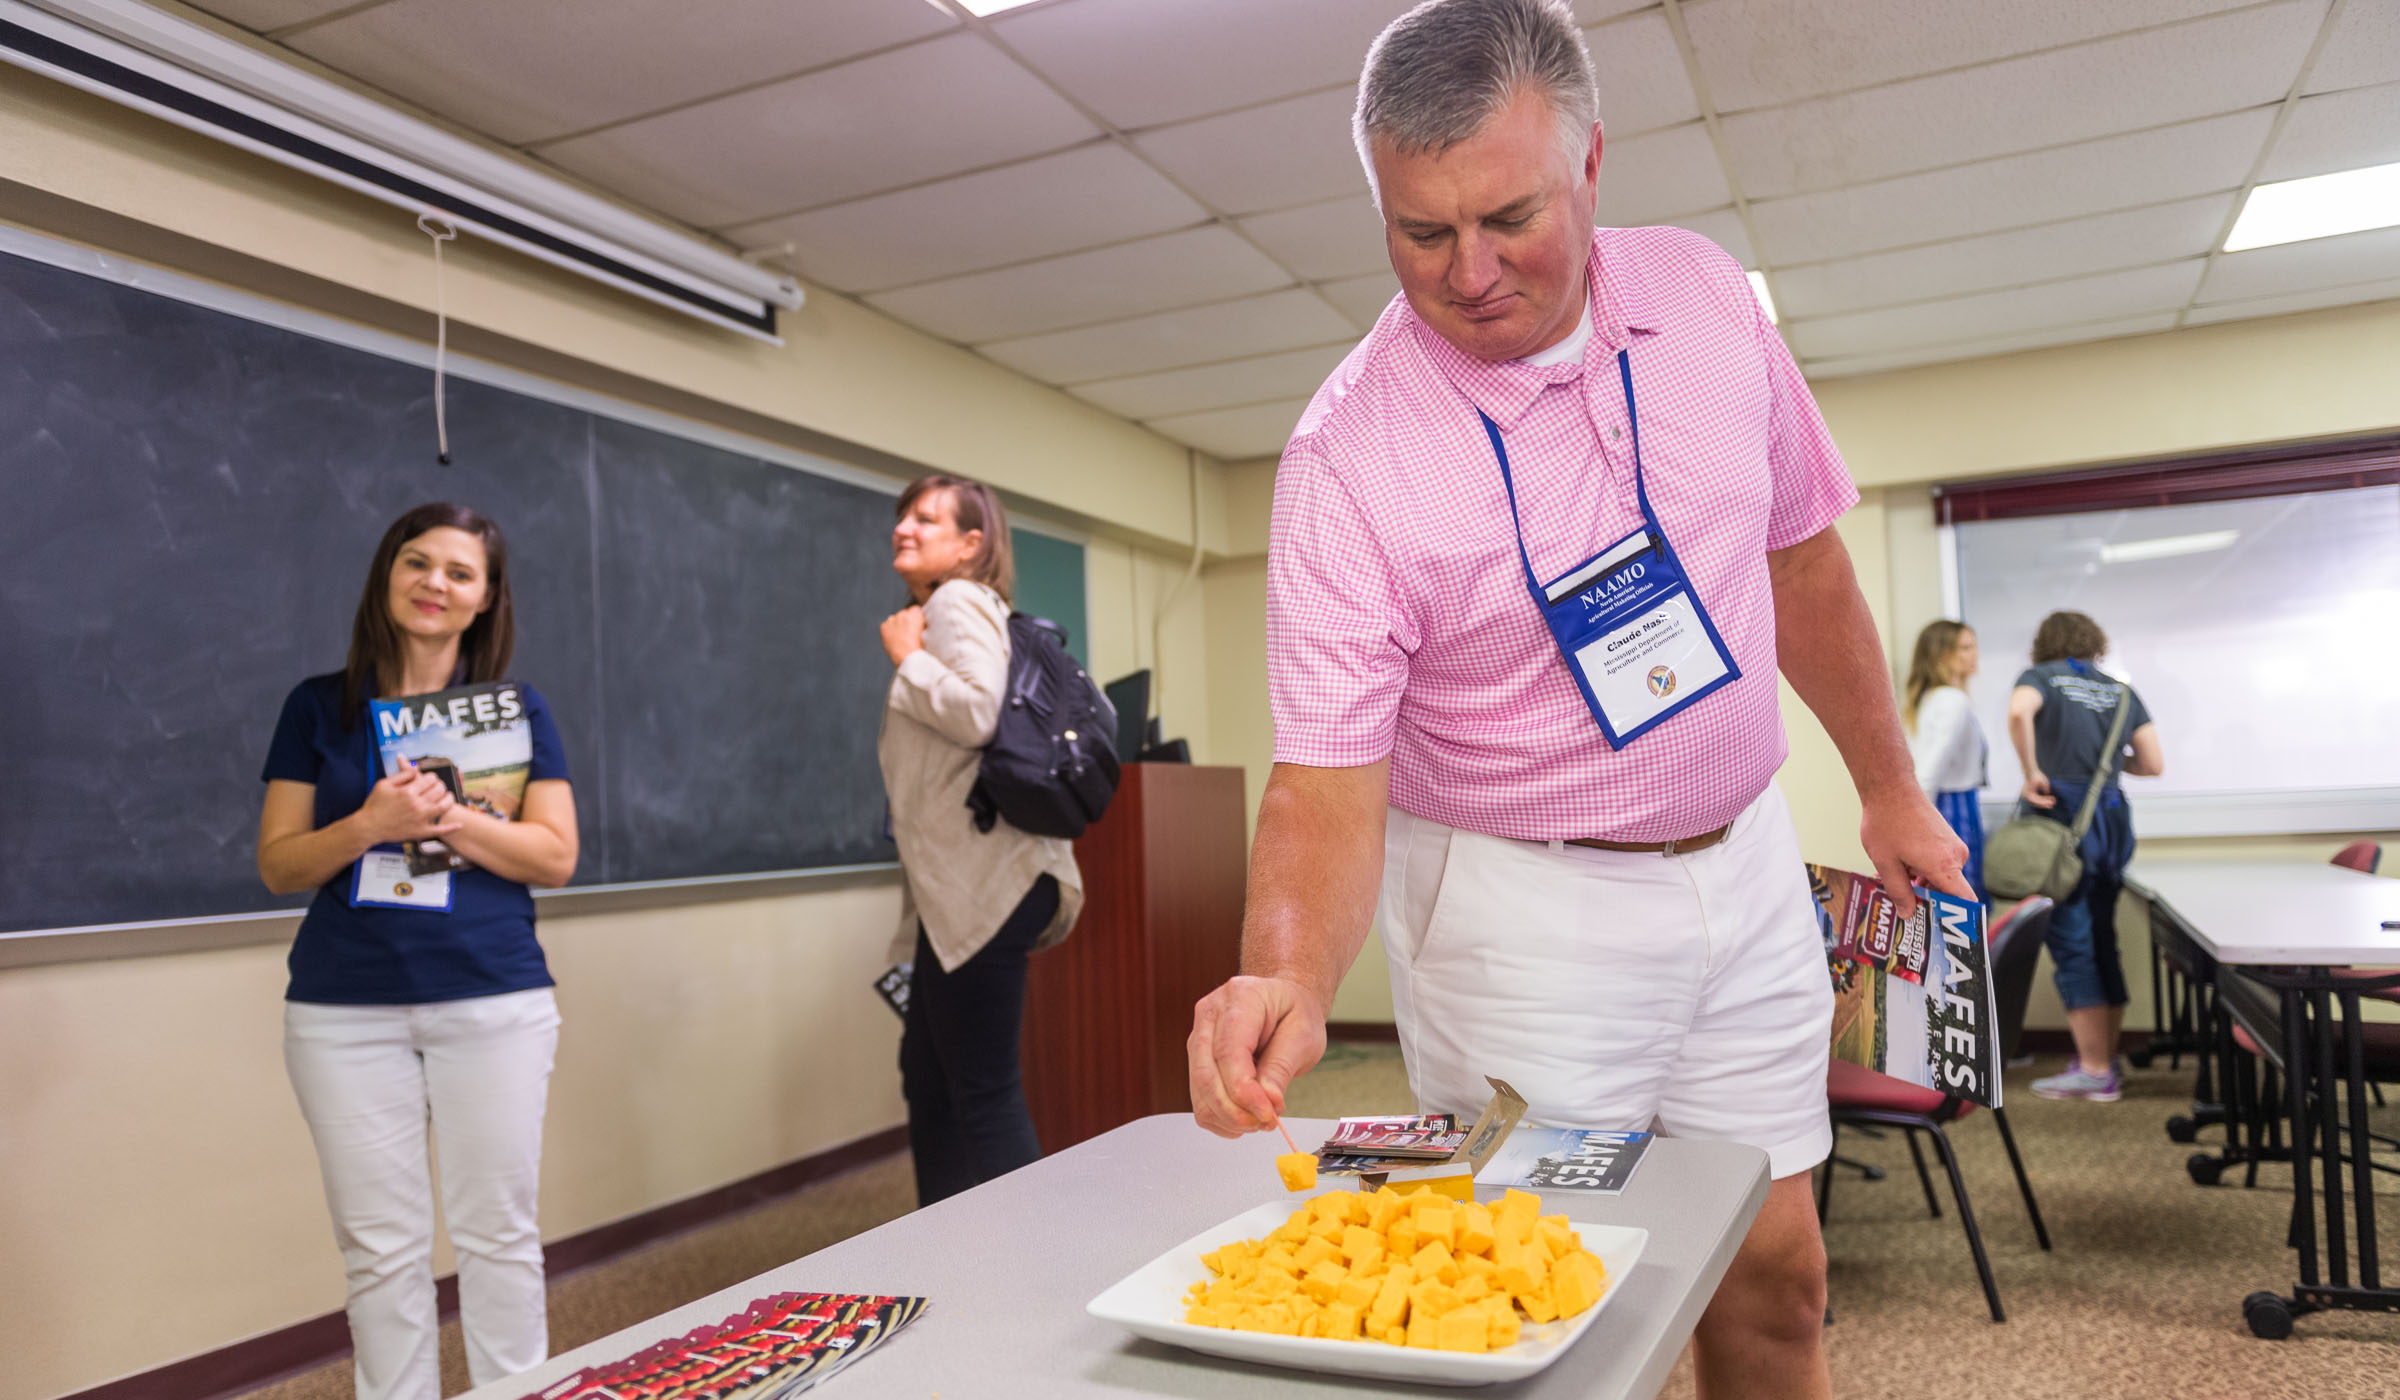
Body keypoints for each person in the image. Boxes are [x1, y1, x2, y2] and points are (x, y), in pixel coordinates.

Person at [1183, 3, 1968, 1395]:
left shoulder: (1712, 302)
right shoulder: (1346, 459)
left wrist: (1890, 786)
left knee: (1779, 1275)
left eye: (1508, 217)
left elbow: (1804, 561)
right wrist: (1288, 974)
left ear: (1592, 163)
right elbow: (1324, 778)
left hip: (1746, 872)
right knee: (1544, 1314)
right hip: (1515, 918)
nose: (1469, 271)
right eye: (1420, 233)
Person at [257, 503, 579, 1400]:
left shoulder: (517, 711)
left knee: (498, 1235)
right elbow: (280, 863)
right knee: (380, 1252)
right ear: (388, 577)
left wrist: (452, 821)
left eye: (460, 572)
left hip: (491, 999)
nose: (435, 582)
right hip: (342, 1008)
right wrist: (370, 823)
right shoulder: (318, 707)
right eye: (417, 562)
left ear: (485, 599)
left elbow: (554, 856)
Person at [878, 474, 1083, 1205]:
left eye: (926, 518)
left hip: (986, 884)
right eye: (904, 514)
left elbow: (976, 715)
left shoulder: (956, 601)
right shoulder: (946, 606)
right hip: (965, 889)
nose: (905, 526)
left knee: (983, 1091)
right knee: (929, 1075)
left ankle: (1030, 1269)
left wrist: (909, 657)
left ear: (971, 544)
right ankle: (946, 1242)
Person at [2009, 610, 2163, 1103]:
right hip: (2111, 821)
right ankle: (2104, 1059)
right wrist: (2105, 763)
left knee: (2071, 939)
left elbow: (2018, 712)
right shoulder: (2120, 691)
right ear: (2093, 643)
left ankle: (2095, 1070)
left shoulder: (2040, 678)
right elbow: (2152, 763)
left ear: (2045, 643)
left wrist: (2032, 769)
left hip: (2063, 822)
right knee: (2101, 937)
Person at [1904, 620, 1989, 901]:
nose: (1974, 654)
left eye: (1974, 646)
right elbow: (1928, 770)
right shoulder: (1952, 701)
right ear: (1941, 655)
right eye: (1965, 648)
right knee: (1959, 900)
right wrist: (1915, 827)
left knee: (1941, 901)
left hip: (1944, 804)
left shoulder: (1929, 698)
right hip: (1952, 810)